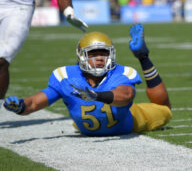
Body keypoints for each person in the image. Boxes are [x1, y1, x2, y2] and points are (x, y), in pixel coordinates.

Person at [3, 24, 172, 136]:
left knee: (165, 109)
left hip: (132, 120)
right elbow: (34, 102)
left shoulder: (121, 73)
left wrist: (96, 96)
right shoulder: (66, 76)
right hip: (88, 125)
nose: (99, 58)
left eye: (104, 53)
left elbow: (125, 96)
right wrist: (21, 106)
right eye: (93, 54)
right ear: (81, 56)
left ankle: (143, 56)